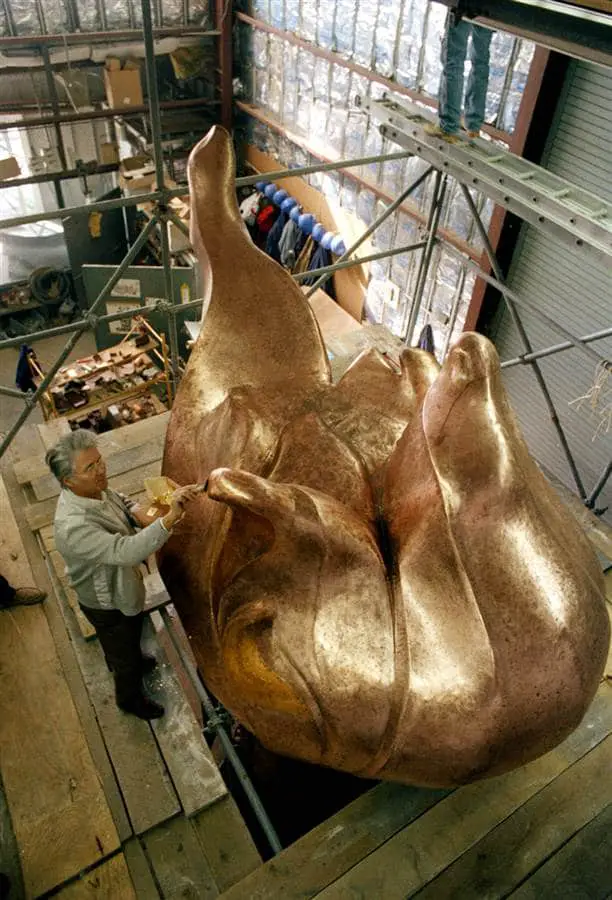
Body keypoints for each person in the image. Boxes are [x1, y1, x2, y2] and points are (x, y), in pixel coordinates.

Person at [46, 429, 201, 721]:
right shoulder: (73, 526)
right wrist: (169, 518)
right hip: (107, 602)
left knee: (126, 640)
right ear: (67, 481)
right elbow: (126, 550)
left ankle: (120, 657)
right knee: (124, 650)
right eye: (90, 468)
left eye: (100, 461)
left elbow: (130, 508)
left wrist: (164, 500)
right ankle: (129, 699)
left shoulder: (95, 489)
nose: (101, 470)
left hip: (123, 586)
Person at [429, 12, 493, 141]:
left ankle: (448, 126)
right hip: (491, 7)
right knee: (480, 63)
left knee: (453, 61)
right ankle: (473, 125)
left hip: (465, 6)